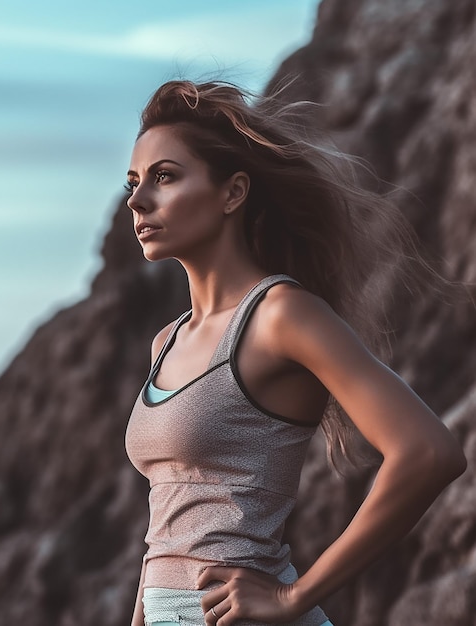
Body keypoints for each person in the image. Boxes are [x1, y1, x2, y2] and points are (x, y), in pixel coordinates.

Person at [123, 80, 466, 626]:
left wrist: (292, 597)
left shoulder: (282, 315)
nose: (138, 200)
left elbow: (428, 453)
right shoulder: (166, 342)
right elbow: (167, 529)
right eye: (134, 182)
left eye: (164, 177)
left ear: (233, 193)